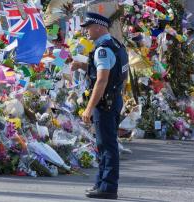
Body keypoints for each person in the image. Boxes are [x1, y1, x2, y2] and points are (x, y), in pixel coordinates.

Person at [71, 12, 129, 199]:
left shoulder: (102, 49)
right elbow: (113, 73)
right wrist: (82, 66)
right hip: (113, 99)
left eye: (88, 28)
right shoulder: (115, 44)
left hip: (104, 102)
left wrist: (88, 108)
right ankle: (102, 183)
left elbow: (102, 80)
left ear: (98, 27)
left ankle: (108, 187)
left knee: (107, 145)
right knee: (105, 144)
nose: (86, 32)